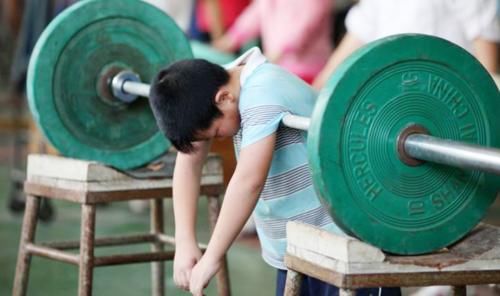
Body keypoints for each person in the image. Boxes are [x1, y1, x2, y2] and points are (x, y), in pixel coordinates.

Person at [148, 47, 402, 296]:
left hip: (345, 244)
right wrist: (184, 241)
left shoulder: (263, 91)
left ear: (224, 98)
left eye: (216, 134)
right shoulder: (210, 88)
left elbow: (249, 180)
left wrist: (212, 256)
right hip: (296, 251)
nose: (220, 138)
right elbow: (189, 161)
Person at [313, 0, 500, 89]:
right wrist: (313, 93)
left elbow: (487, 70)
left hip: (449, 105)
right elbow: (341, 59)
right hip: (392, 104)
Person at [212, 0, 333, 84]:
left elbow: (306, 25)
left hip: (307, 70)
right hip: (277, 67)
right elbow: (255, 15)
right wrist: (233, 38)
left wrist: (280, 51)